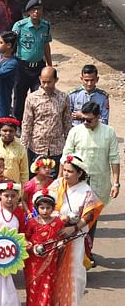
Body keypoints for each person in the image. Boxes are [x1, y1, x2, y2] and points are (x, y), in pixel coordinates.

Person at [62, 101, 119, 261]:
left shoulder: (109, 132)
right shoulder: (75, 131)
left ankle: (86, 253)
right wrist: (61, 180)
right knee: (72, 216)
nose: (85, 123)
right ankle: (69, 254)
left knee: (91, 219)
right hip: (77, 183)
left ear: (98, 117)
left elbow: (114, 158)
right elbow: (66, 156)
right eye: (83, 119)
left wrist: (116, 183)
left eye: (89, 120)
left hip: (99, 183)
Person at [48, 154, 103, 306]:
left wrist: (73, 227)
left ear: (79, 173)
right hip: (54, 234)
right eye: (64, 170)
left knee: (74, 271)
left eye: (70, 171)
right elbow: (43, 205)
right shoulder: (56, 185)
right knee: (52, 269)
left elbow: (90, 214)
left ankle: (70, 301)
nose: (66, 174)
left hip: (75, 237)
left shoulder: (86, 191)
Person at [21, 67, 71, 171]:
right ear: (39, 79)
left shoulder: (63, 97)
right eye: (43, 82)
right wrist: (22, 149)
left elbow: (67, 123)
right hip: (36, 148)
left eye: (49, 82)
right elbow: (27, 124)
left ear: (56, 80)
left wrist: (70, 146)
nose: (46, 85)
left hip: (57, 149)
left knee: (55, 183)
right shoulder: (32, 98)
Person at [13, 0, 53, 120]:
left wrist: (50, 66)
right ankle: (18, 122)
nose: (36, 12)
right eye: (33, 10)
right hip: (22, 67)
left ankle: (35, 120)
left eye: (39, 9)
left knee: (39, 95)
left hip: (39, 67)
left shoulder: (46, 26)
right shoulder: (20, 26)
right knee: (20, 96)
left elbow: (46, 45)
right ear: (29, 12)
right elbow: (11, 44)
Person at [24, 189, 63, 306]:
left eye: (48, 207)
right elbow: (25, 239)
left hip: (51, 261)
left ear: (53, 208)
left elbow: (61, 237)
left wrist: (61, 244)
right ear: (36, 208)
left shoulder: (58, 222)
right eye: (42, 207)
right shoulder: (32, 223)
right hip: (33, 262)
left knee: (48, 286)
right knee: (33, 286)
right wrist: (31, 247)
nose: (45, 211)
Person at [0, 117, 29, 186]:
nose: (8, 133)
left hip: (13, 190)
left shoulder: (21, 149)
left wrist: (24, 192)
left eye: (11, 131)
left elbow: (24, 173)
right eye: (5, 130)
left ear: (15, 132)